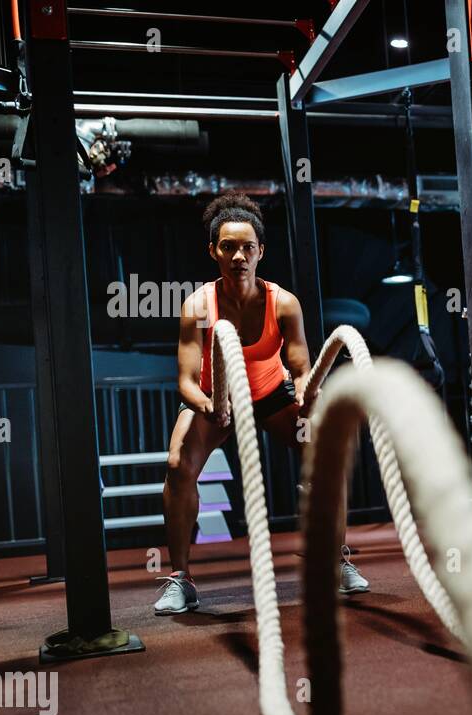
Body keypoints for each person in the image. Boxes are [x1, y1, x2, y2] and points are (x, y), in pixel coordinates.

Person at [154, 192, 368, 614]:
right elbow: (183, 381)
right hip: (214, 400)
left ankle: (334, 558)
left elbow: (301, 366)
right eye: (229, 247)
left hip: (270, 394)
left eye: (248, 247)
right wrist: (209, 406)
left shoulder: (283, 303)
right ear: (213, 250)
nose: (239, 256)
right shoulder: (198, 307)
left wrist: (309, 392)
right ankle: (180, 579)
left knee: (326, 449)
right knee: (179, 465)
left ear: (261, 252)